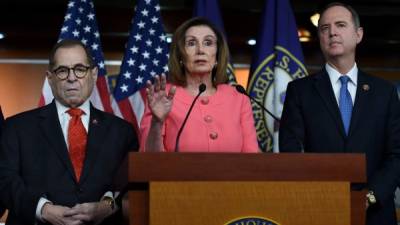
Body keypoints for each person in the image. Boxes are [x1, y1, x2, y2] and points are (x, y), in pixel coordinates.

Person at [279, 2, 400, 225]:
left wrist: (369, 197)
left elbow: (396, 155)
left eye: (340, 25)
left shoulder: (385, 92)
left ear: (358, 34)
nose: (332, 32)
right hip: (319, 211)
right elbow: (291, 153)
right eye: (324, 28)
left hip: (375, 215)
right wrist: (321, 196)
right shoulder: (300, 91)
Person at [0, 39, 139, 225]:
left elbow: (129, 188)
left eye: (80, 69)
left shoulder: (122, 132)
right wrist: (43, 210)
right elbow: (5, 181)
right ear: (50, 78)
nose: (72, 78)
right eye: (62, 70)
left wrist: (106, 207)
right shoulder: (17, 127)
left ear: (94, 74)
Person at [140, 17, 258, 152]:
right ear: (180, 56)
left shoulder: (238, 98)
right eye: (191, 43)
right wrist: (157, 122)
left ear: (217, 55)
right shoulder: (163, 96)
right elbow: (149, 160)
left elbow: (251, 157)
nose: (200, 50)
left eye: (208, 43)